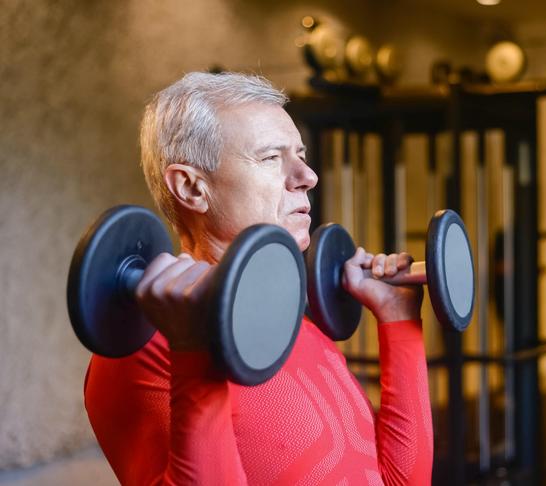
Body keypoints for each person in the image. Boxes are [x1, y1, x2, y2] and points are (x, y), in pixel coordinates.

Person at [84, 72, 433, 485]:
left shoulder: (293, 325)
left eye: (300, 154)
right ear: (192, 188)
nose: (308, 176)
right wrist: (195, 352)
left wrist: (399, 323)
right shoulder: (144, 347)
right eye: (271, 157)